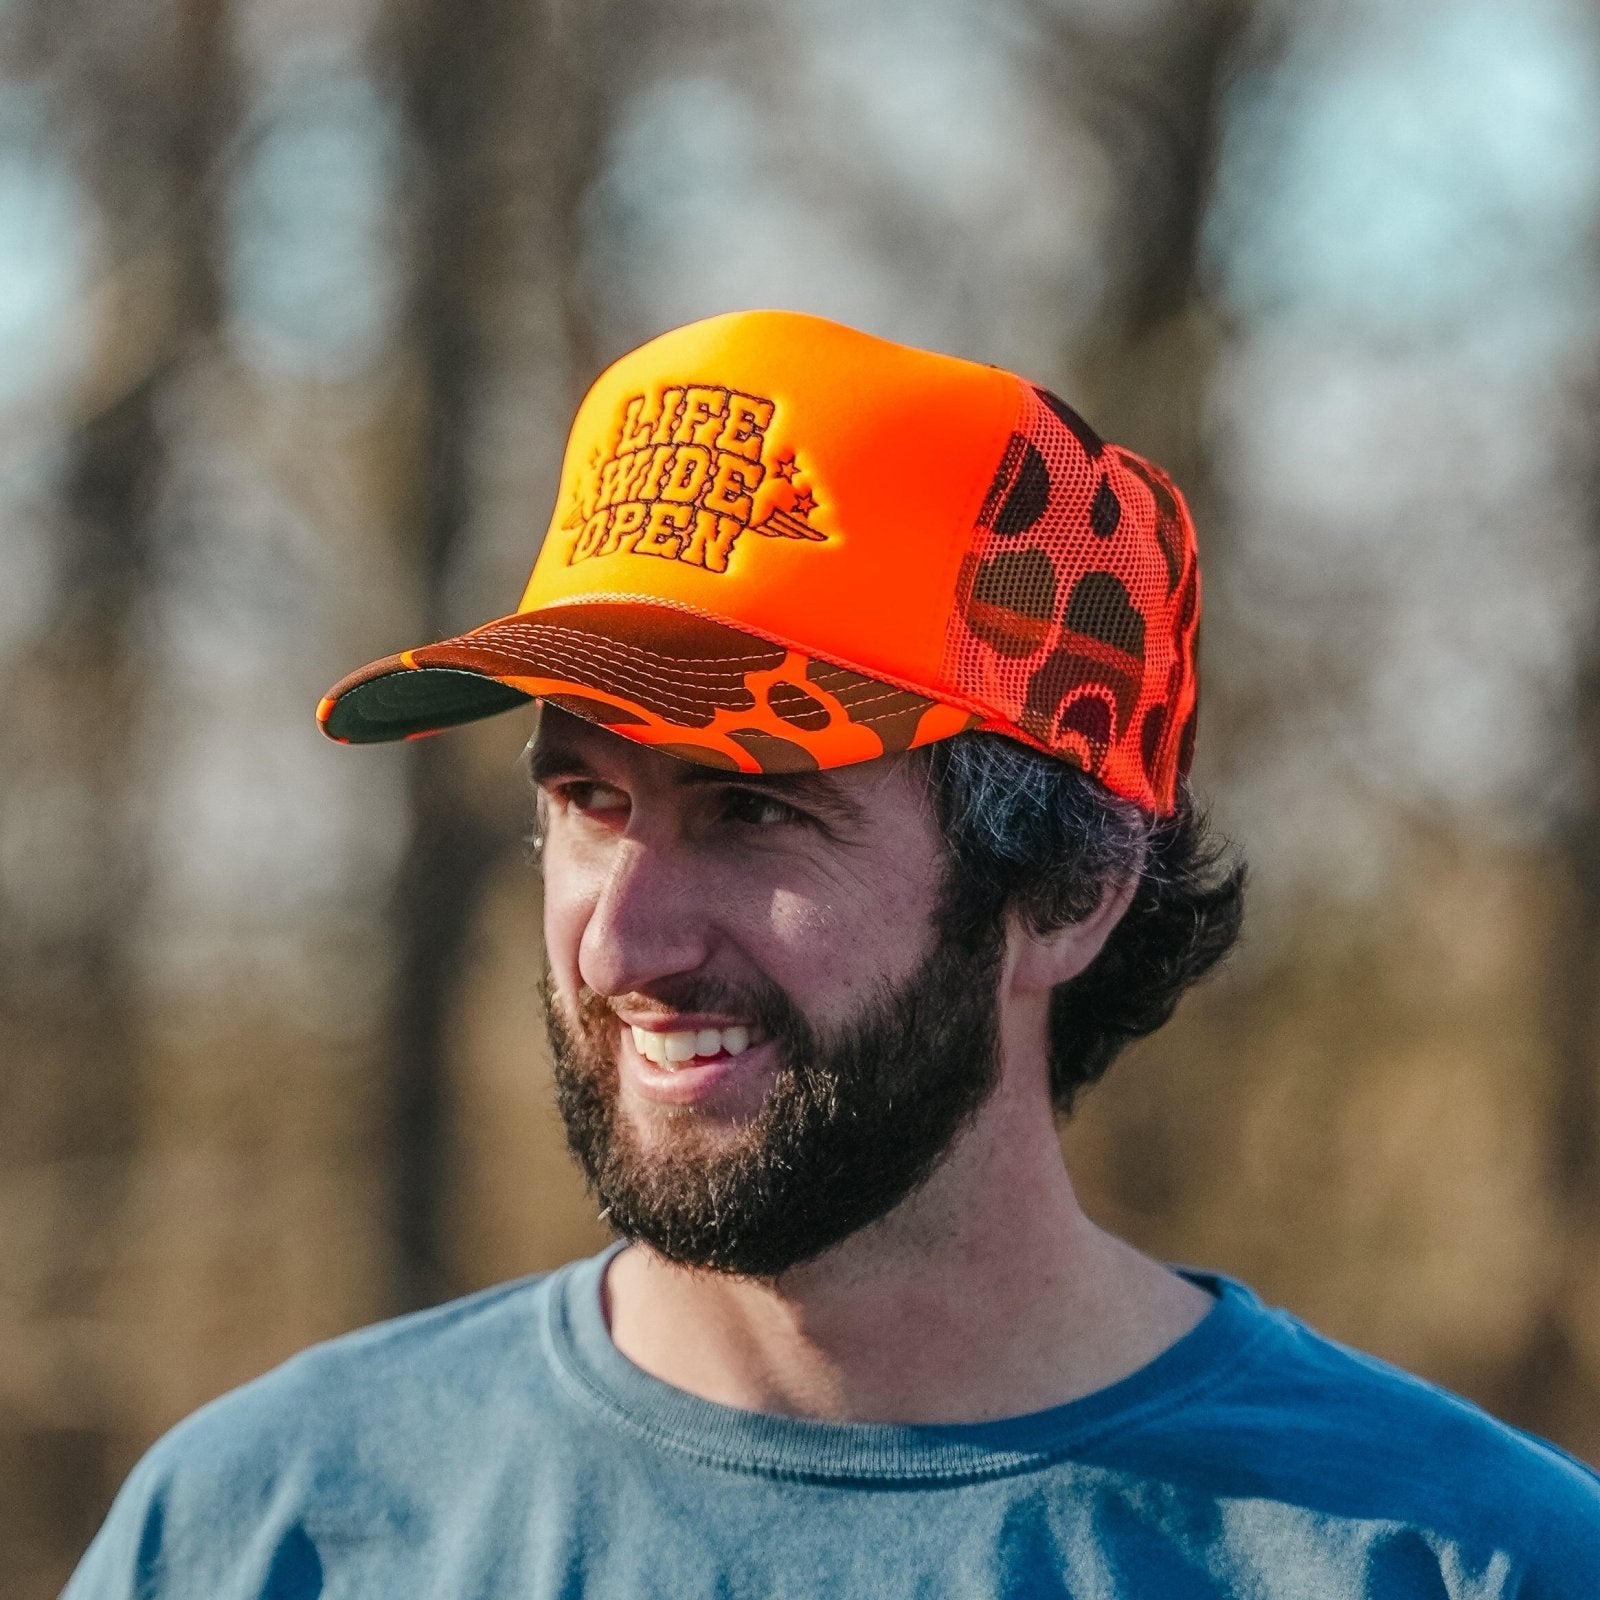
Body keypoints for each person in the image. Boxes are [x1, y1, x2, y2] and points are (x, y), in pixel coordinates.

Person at [66, 310, 1600, 1597]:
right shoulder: (262, 1531)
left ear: (1064, 892)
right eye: (591, 802)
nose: (623, 934)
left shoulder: (1461, 1562)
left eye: (754, 811)